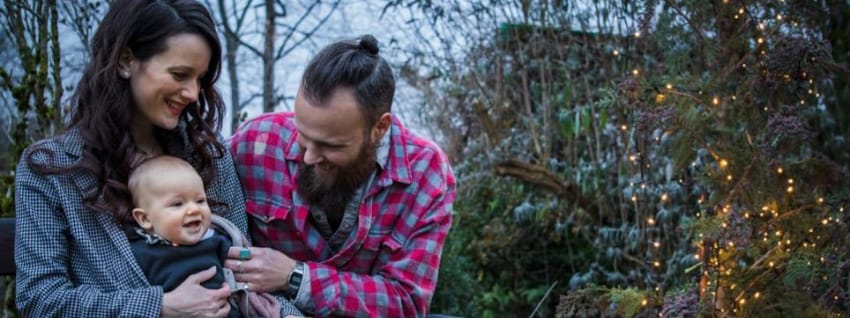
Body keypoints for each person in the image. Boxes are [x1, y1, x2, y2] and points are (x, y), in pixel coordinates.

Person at [13, 0, 301, 317]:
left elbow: (246, 275)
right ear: (125, 61)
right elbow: (41, 298)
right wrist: (159, 307)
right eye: (180, 74)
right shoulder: (51, 169)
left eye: (200, 79)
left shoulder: (207, 155)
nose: (192, 93)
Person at [227, 34, 456, 317]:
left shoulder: (426, 173)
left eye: (330, 145)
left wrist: (295, 277)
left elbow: (407, 302)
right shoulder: (255, 143)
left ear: (379, 128)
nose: (309, 156)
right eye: (302, 133)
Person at [126, 155, 283, 318]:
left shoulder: (215, 240)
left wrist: (247, 255)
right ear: (145, 219)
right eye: (177, 204)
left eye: (200, 201)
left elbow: (244, 264)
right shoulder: (140, 252)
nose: (194, 209)